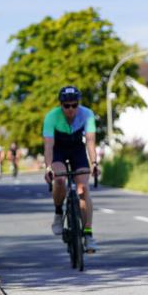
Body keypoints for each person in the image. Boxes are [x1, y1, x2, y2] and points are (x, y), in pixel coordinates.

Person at [42, 86, 100, 253]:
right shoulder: (51, 117)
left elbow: (90, 141)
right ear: (61, 105)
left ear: (78, 104)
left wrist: (94, 163)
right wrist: (48, 168)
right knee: (59, 180)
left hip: (77, 149)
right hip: (58, 150)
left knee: (83, 189)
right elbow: (48, 146)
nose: (71, 109)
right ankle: (59, 213)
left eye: (74, 105)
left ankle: (88, 234)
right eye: (66, 106)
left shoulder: (87, 114)